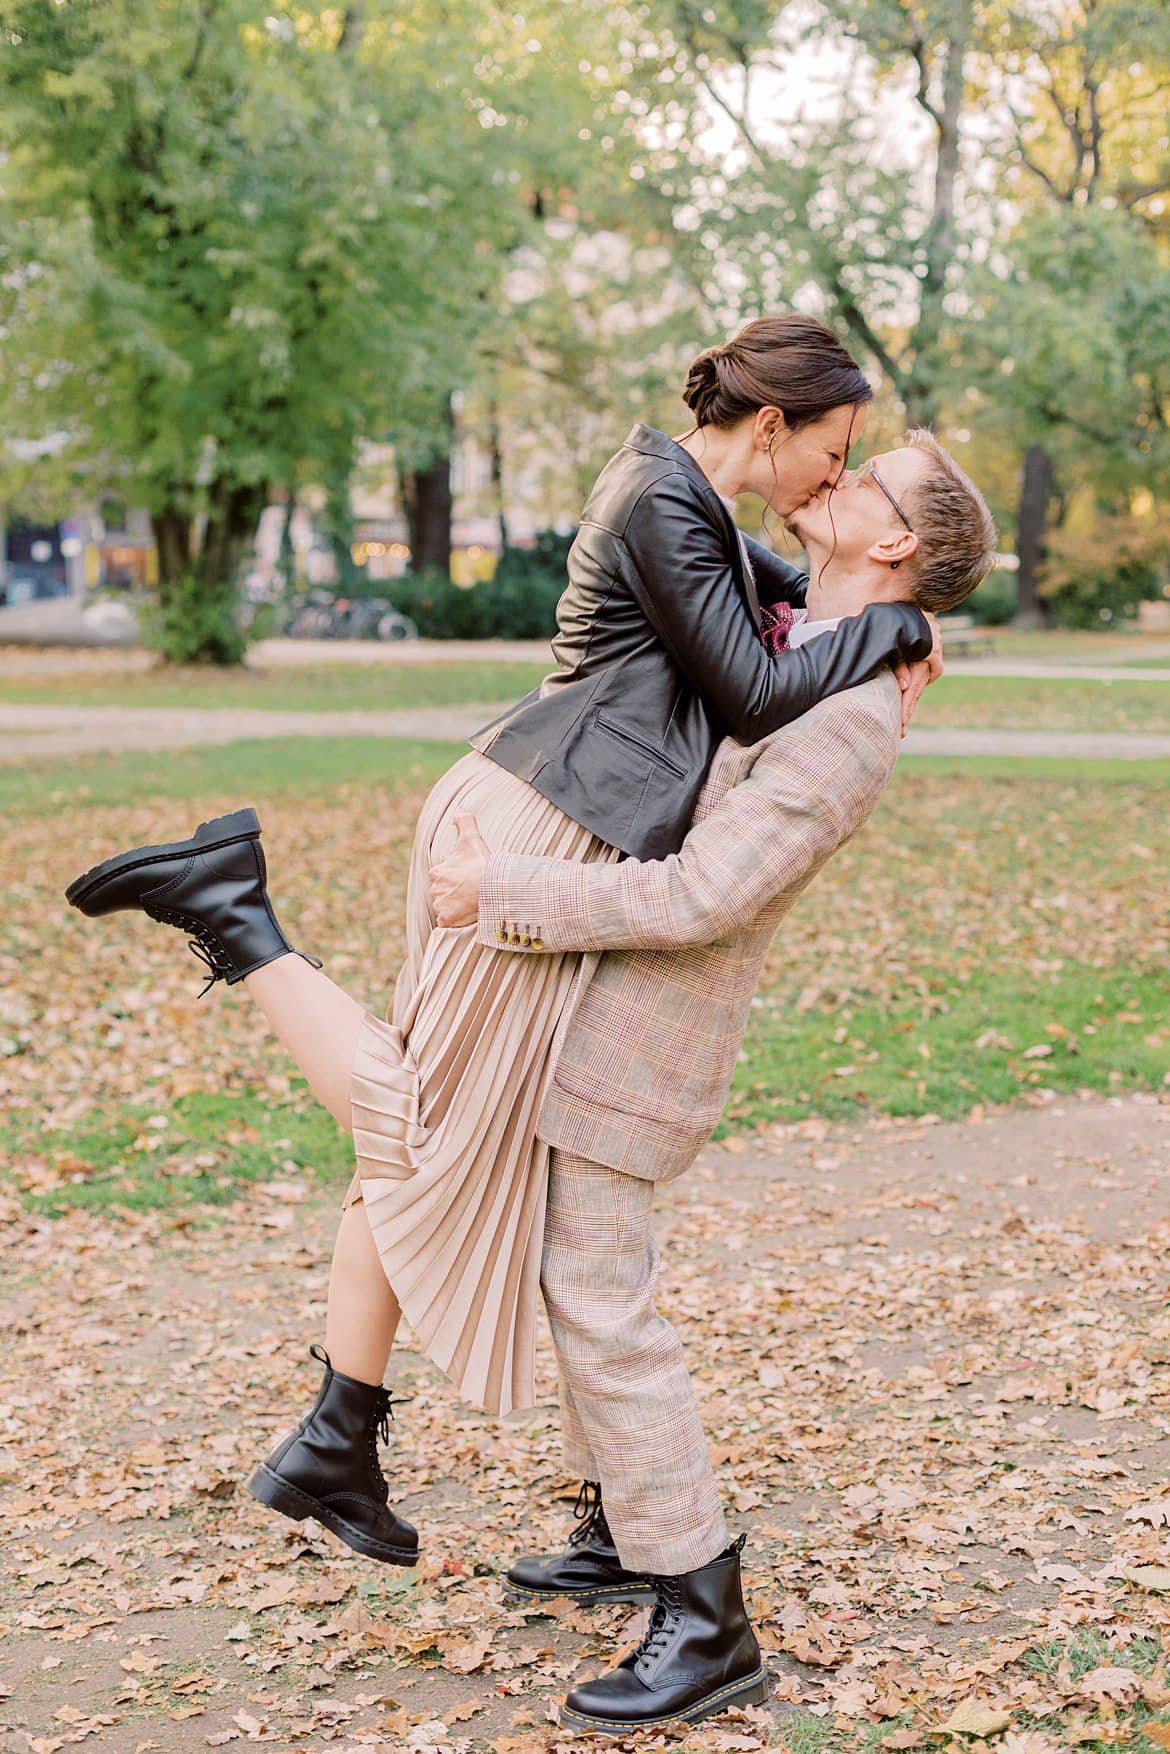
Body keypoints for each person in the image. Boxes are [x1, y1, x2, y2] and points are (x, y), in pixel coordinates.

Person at [63, 317, 939, 1690]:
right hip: (530, 832)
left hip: (551, 848)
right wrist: (895, 621)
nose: (827, 481)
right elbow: (763, 675)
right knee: (423, 1125)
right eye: (829, 451)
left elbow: (775, 647)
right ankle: (240, 924)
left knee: (465, 1164)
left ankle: (365, 1439)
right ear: (769, 428)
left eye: (852, 480)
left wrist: (888, 623)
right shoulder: (669, 498)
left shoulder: (706, 518)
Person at [425, 428, 998, 1735]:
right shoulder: (809, 638)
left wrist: (492, 892)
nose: (828, 483)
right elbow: (688, 519)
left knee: (598, 1292)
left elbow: (703, 893)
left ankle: (703, 1607)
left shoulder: (848, 713)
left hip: (642, 1030)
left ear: (895, 541)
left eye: (863, 479)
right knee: (579, 1280)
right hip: (589, 1001)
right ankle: (627, 1524)